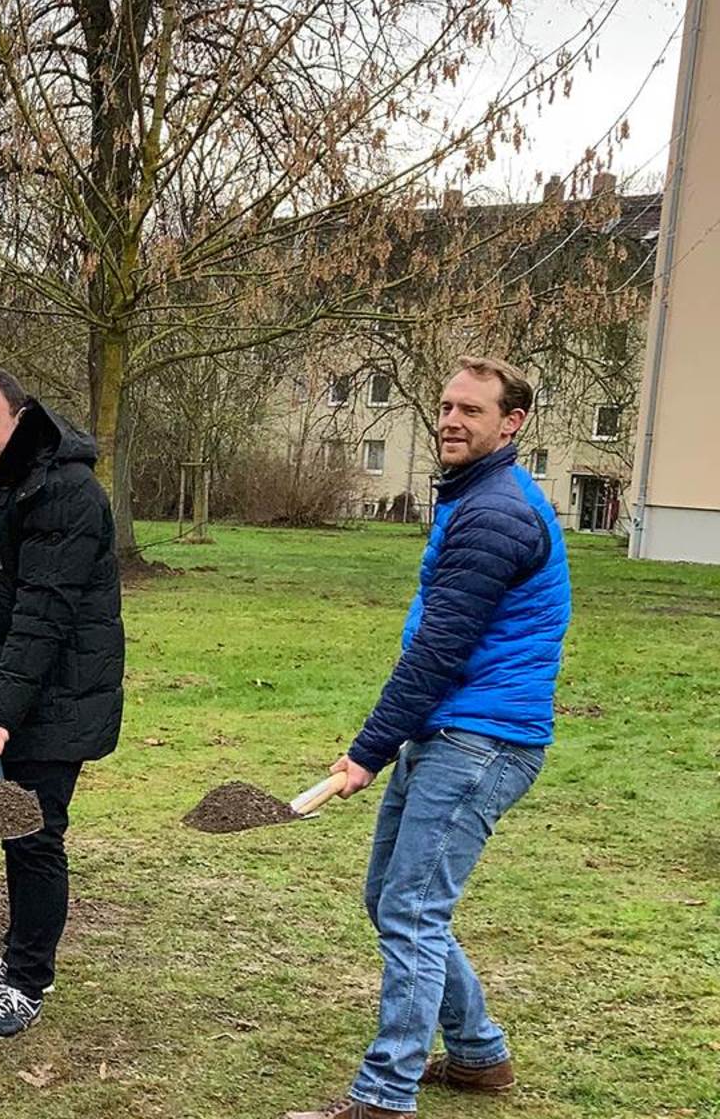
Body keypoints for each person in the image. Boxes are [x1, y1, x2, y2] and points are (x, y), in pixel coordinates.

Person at [285, 357, 571, 1119]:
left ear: (511, 424)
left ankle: (385, 1096)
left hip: (482, 740)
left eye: (470, 411)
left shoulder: (495, 513)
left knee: (411, 909)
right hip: (452, 729)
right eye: (445, 406)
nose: (450, 420)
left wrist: (367, 752)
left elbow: (439, 651)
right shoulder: (474, 495)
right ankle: (478, 1055)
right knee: (391, 899)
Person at [0, 369, 124, 1039]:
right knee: (17, 835)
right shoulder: (9, 485)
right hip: (22, 684)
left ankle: (28, 982)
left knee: (37, 834)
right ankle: (17, 957)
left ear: (20, 418)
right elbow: (13, 588)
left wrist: (3, 710)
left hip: (59, 694)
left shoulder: (65, 491)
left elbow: (47, 613)